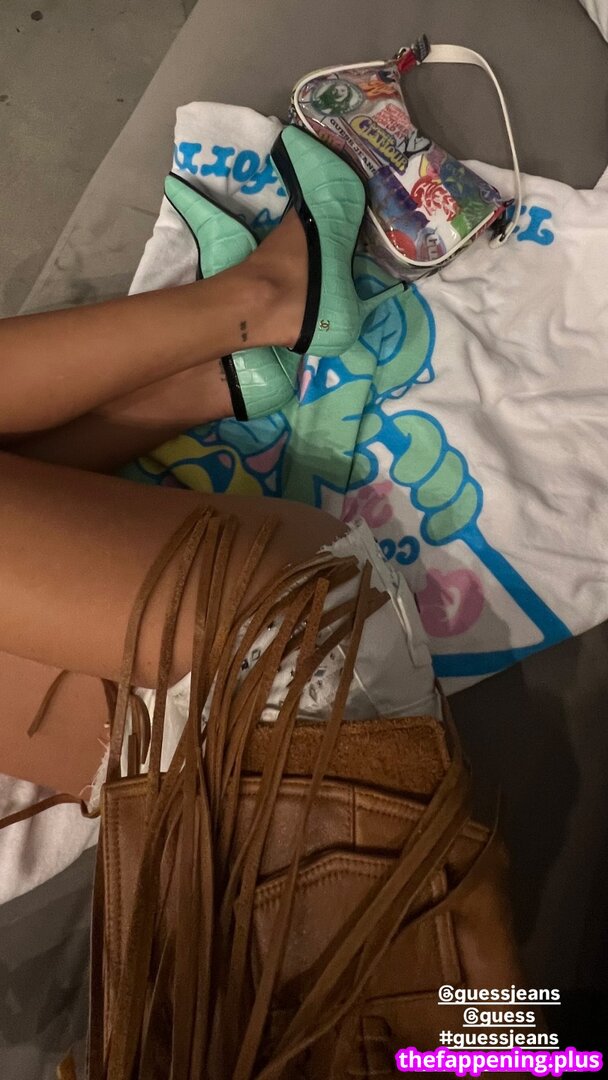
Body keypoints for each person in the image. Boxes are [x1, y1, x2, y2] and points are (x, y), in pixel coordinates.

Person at [0, 128, 522, 1079]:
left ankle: (218, 374)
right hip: (295, 688)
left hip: (167, 773)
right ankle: (261, 302)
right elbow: (523, 1043)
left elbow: (526, 1046)